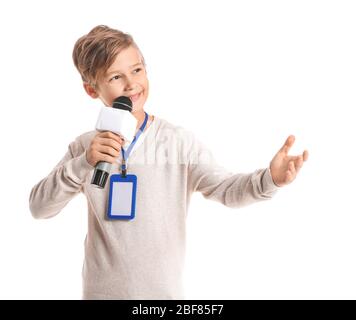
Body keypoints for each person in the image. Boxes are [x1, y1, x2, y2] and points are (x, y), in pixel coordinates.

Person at [29, 25, 308, 299]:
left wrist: (269, 179)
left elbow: (227, 189)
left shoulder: (177, 142)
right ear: (92, 90)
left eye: (137, 70)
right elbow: (39, 208)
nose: (131, 84)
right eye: (116, 77)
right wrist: (82, 163)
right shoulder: (85, 148)